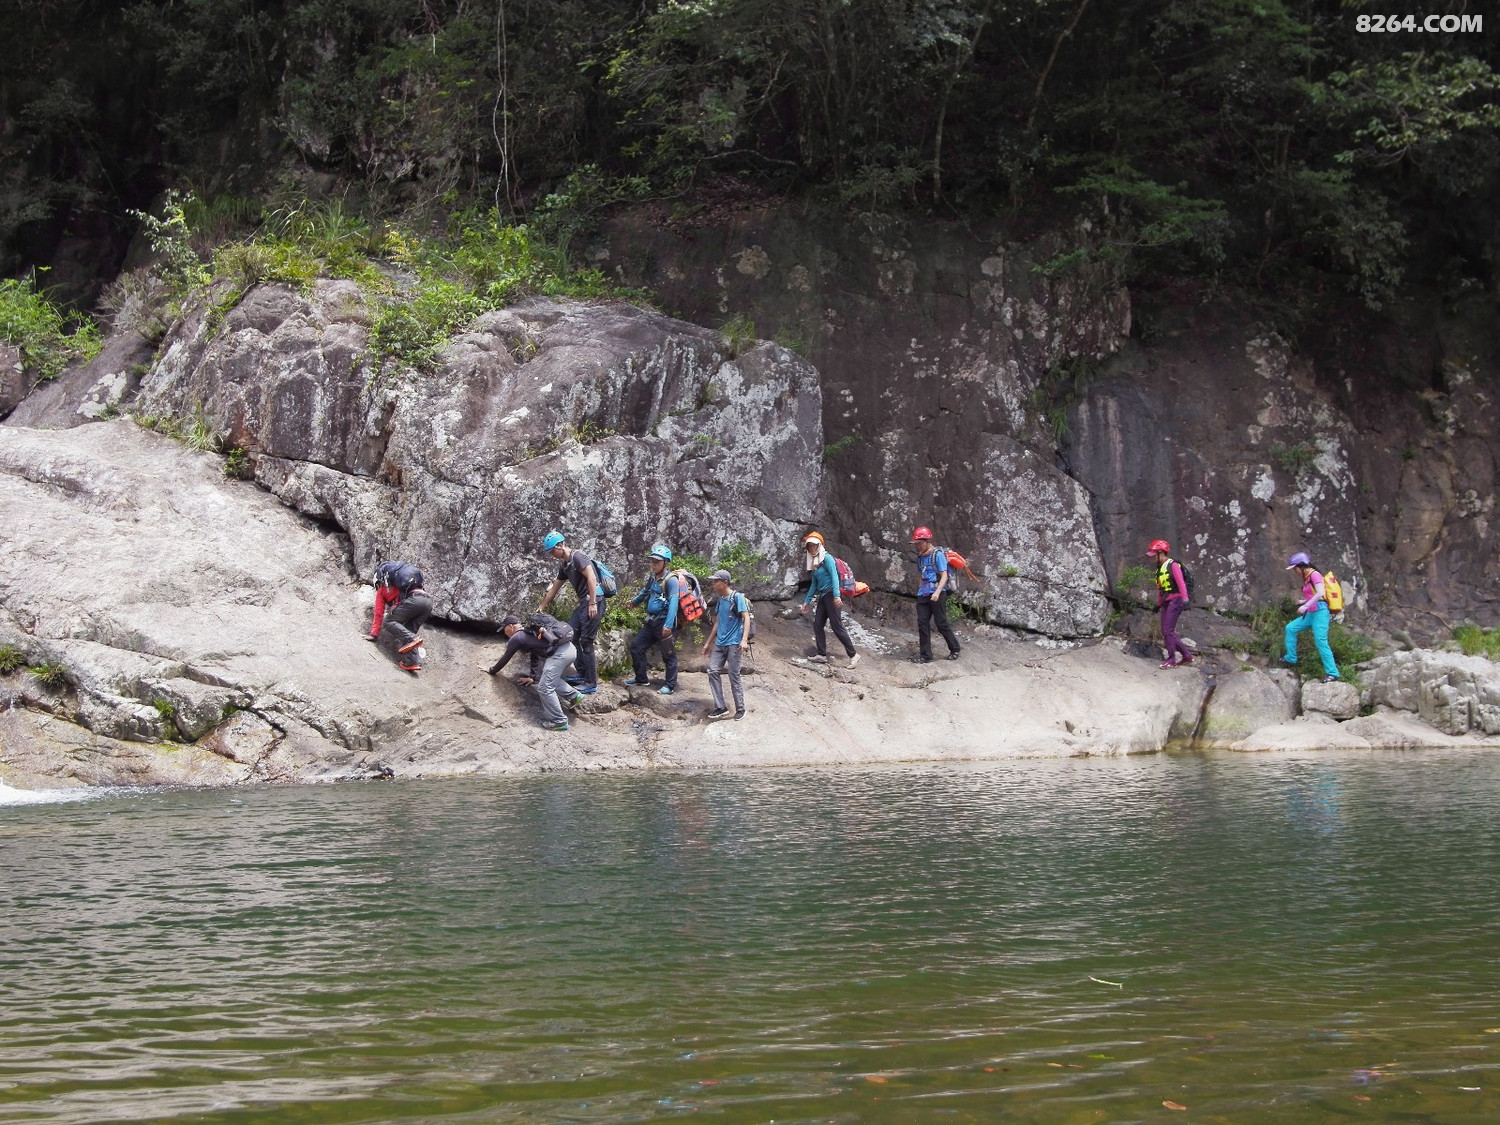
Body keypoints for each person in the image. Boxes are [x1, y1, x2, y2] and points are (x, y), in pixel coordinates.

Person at [485, 613, 584, 731]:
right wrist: (533, 677)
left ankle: (559, 721)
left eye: (504, 629)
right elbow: (535, 655)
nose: (504, 633)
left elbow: (506, 657)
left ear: (510, 626)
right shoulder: (531, 632)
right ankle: (574, 696)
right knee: (548, 679)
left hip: (560, 655)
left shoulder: (517, 637)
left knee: (545, 688)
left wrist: (492, 670)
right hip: (570, 650)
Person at [537, 531, 608, 694]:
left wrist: (592, 602)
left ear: (560, 546)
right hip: (584, 603)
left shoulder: (578, 557)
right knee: (572, 634)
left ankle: (591, 682)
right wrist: (541, 607)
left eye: (552, 551)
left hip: (594, 601)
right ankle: (582, 672)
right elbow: (555, 587)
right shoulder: (564, 564)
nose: (551, 555)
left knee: (587, 641)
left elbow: (591, 577)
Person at [623, 543, 682, 694]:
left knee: (668, 654)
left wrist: (668, 625)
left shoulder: (671, 580)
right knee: (636, 646)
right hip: (652, 621)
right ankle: (641, 678)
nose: (653, 564)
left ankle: (669, 685)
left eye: (657, 562)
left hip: (664, 622)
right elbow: (645, 592)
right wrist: (634, 602)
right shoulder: (653, 577)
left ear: (665, 562)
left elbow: (674, 603)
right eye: (652, 561)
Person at [798, 531, 858, 669]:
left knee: (837, 626)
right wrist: (806, 602)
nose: (812, 549)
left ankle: (853, 655)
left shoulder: (828, 558)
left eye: (814, 546)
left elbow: (835, 577)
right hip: (823, 596)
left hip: (832, 595)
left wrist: (837, 596)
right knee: (818, 624)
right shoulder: (816, 564)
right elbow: (814, 584)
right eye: (809, 547)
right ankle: (821, 654)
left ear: (819, 545)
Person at [1283, 551, 1340, 682]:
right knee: (1290, 628)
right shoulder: (1307, 576)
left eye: (1295, 569)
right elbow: (1314, 594)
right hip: (1312, 612)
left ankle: (1333, 673)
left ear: (1300, 566)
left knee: (1321, 642)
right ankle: (1291, 657)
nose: (1294, 572)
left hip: (1320, 613)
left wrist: (1305, 606)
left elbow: (1320, 593)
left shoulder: (1314, 574)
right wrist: (1303, 602)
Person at [702, 569, 750, 719]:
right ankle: (720, 706)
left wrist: (744, 640)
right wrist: (708, 643)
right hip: (720, 643)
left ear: (725, 582)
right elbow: (717, 622)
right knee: (712, 670)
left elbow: (746, 617)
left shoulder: (737, 598)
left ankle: (740, 708)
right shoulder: (721, 600)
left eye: (716, 581)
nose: (713, 584)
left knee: (733, 674)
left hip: (734, 643)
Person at [368, 561, 431, 675]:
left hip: (415, 601)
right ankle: (414, 662)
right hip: (427, 603)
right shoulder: (402, 585)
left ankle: (412, 638)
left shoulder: (382, 590)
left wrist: (374, 634)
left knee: (390, 622)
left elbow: (378, 612)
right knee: (407, 631)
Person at [911, 526, 960, 663]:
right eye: (916, 544)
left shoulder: (937, 554)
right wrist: (920, 591)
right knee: (922, 623)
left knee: (941, 623)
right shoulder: (920, 557)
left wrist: (938, 592)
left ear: (927, 541)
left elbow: (944, 575)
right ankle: (925, 655)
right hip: (924, 594)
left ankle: (955, 649)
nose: (917, 546)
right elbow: (921, 575)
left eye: (919, 543)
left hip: (938, 594)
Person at [1147, 539, 1193, 669]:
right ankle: (1186, 655)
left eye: (1154, 555)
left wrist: (1185, 598)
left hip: (1177, 599)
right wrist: (1157, 604)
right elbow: (1162, 590)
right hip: (1167, 601)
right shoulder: (1159, 569)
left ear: (1161, 553)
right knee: (1166, 631)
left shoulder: (1172, 565)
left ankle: (1172, 659)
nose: (1153, 558)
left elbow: (1180, 582)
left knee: (1168, 631)